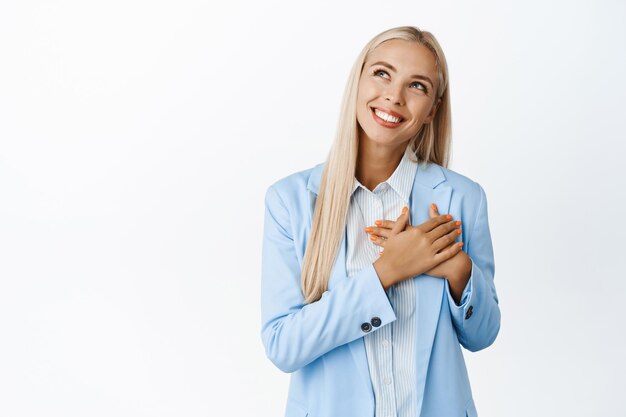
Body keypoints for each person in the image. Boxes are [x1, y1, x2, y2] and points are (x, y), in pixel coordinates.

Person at [260, 25, 500, 417]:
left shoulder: (462, 197)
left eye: (418, 86)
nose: (394, 95)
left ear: (431, 111)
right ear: (358, 81)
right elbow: (283, 345)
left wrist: (456, 266)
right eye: (382, 73)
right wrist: (387, 271)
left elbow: (483, 334)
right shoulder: (290, 202)